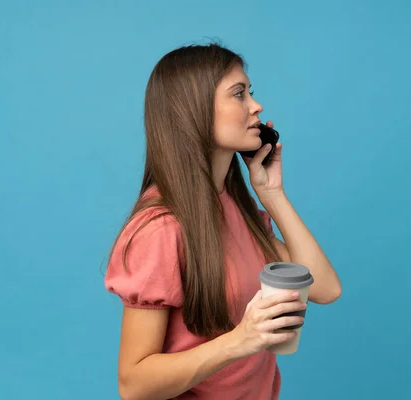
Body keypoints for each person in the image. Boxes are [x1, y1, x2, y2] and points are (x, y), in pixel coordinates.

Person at [104, 42, 342, 400]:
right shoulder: (160, 228)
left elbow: (325, 288)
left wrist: (272, 195)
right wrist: (240, 341)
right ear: (193, 110)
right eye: (238, 94)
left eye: (251, 92)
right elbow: (134, 385)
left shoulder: (235, 208)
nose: (256, 106)